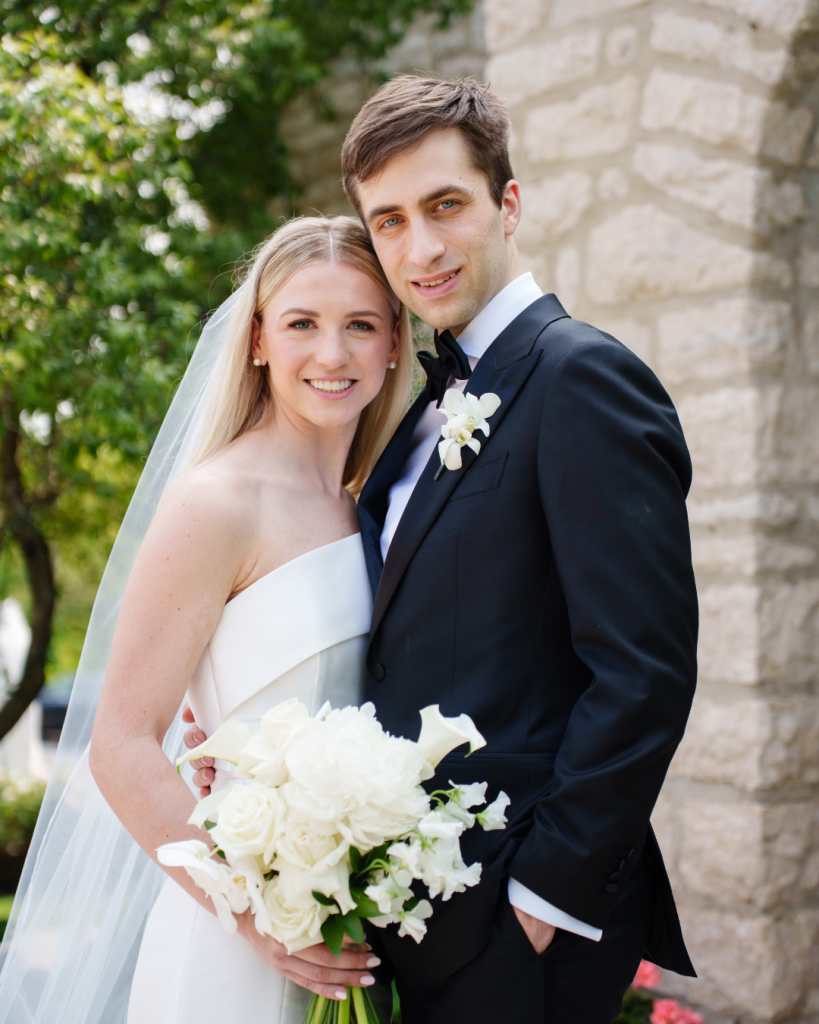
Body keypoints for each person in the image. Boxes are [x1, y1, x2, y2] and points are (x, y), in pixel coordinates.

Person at [184, 76, 700, 1024]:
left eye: (445, 206)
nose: (418, 249)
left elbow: (643, 674)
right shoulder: (421, 411)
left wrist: (539, 906)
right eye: (387, 222)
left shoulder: (583, 379)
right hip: (412, 918)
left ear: (507, 203)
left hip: (514, 922)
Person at [0, 216, 411, 1024]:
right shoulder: (217, 503)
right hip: (234, 934)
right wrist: (260, 917)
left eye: (359, 324)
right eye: (302, 324)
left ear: (395, 341)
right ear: (258, 339)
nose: (332, 354)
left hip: (353, 919)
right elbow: (120, 742)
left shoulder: (376, 502)